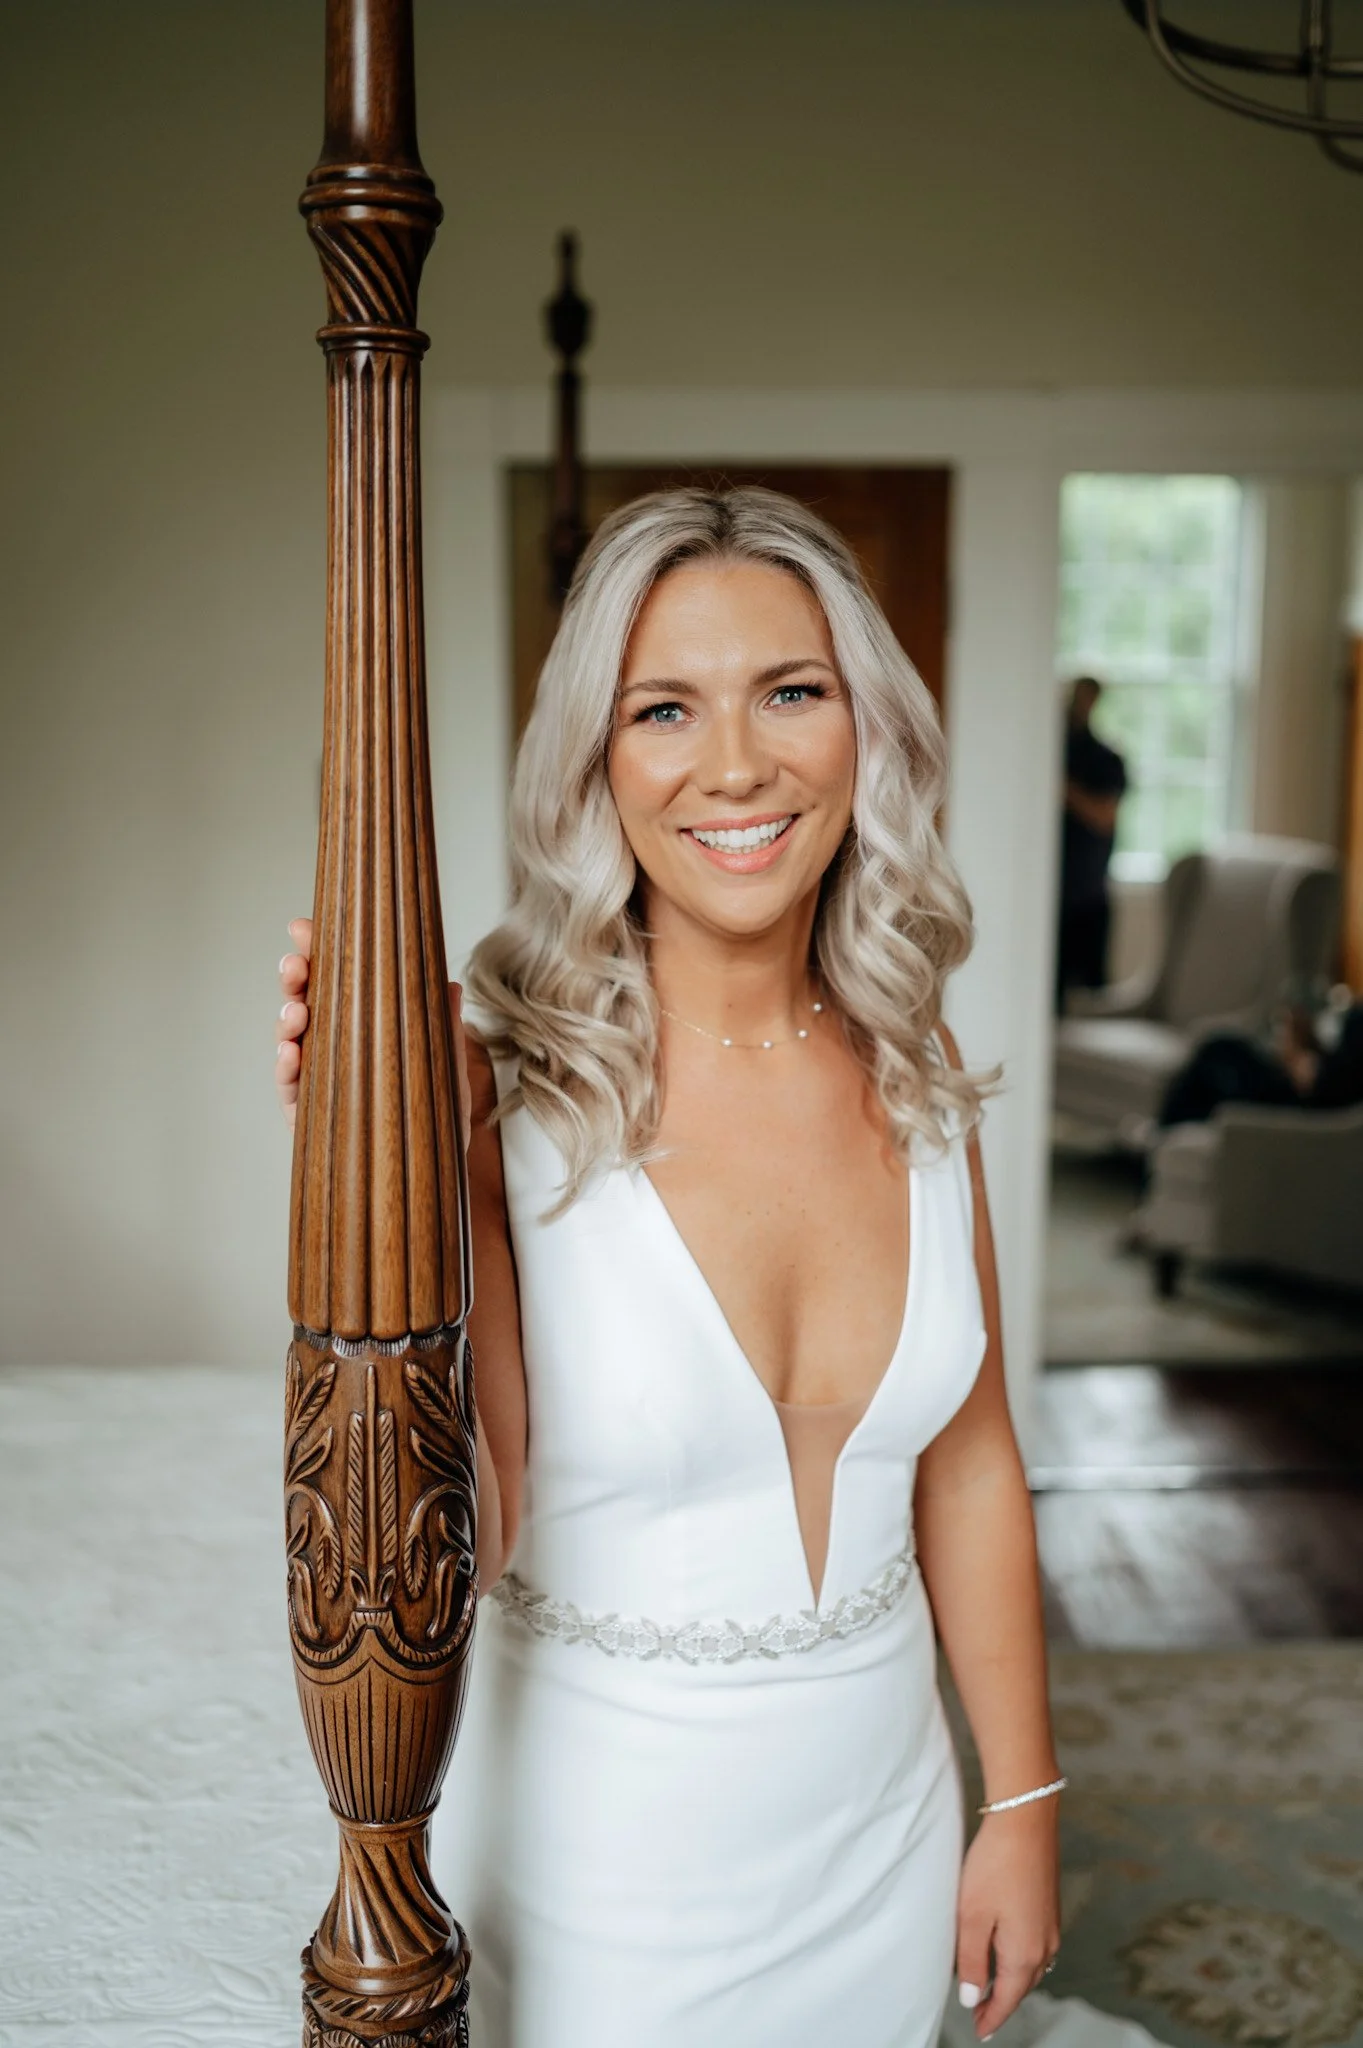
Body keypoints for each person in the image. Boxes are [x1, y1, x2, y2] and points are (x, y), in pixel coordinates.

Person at [275, 489, 1061, 2048]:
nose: (736, 765)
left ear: (865, 728)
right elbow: (466, 1525)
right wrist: (374, 1160)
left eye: (791, 690)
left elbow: (968, 1459)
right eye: (662, 709)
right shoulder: (496, 1099)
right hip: (602, 1888)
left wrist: (1020, 1802)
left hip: (884, 1839)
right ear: (594, 762)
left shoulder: (915, 1061)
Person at [1056, 675, 1126, 1010]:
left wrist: (1065, 790)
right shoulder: (1051, 749)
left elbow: (1104, 816)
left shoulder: (1105, 758)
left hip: (1089, 890)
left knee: (1091, 994)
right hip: (1052, 891)